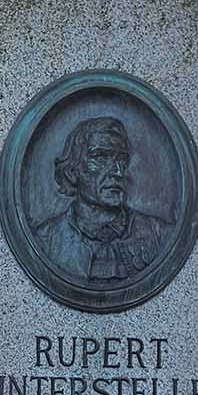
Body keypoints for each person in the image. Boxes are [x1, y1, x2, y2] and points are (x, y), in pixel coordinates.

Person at [35, 116, 169, 283]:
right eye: (100, 157)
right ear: (72, 171)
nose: (118, 172)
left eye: (122, 159)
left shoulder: (160, 234)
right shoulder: (45, 239)